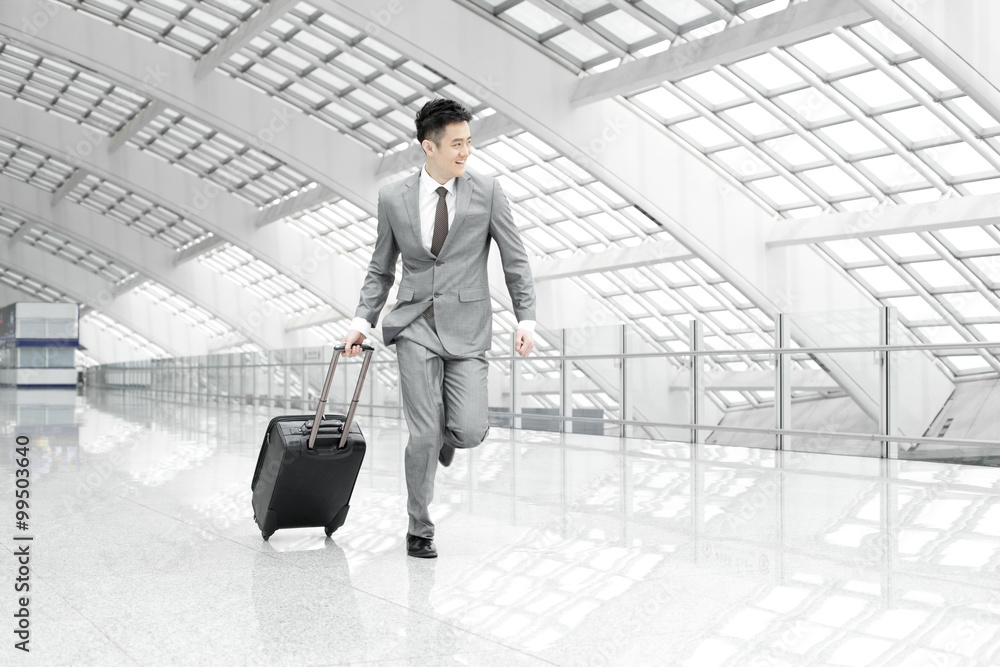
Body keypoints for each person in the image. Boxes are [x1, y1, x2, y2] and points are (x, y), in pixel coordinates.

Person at [341, 99, 537, 558]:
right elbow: (380, 266)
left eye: (468, 142)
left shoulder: (488, 192)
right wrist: (360, 322)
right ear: (429, 147)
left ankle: (452, 437)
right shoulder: (393, 198)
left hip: (468, 327)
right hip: (413, 324)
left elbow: (515, 257)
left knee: (467, 430)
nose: (466, 151)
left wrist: (525, 316)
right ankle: (419, 526)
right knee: (423, 433)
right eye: (457, 144)